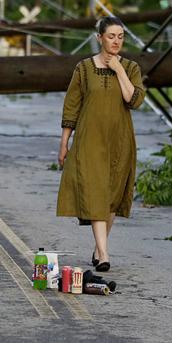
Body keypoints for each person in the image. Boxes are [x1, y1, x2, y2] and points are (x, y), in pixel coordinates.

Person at [56, 15, 145, 272]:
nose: (116, 41)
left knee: (112, 198)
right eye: (111, 36)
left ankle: (98, 248)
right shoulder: (83, 69)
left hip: (120, 140)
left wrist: (117, 69)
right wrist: (64, 142)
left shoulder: (130, 68)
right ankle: (104, 254)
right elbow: (72, 106)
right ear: (99, 38)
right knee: (96, 193)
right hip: (90, 140)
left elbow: (134, 99)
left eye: (120, 36)